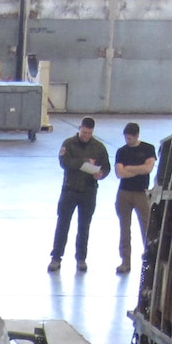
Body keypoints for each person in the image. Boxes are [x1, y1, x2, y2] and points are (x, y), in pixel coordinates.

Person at [50, 117, 110, 273]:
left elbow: (106, 167)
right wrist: (83, 161)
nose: (86, 135)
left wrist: (101, 174)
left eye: (89, 133)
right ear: (79, 128)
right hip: (70, 190)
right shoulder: (68, 144)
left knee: (84, 227)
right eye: (84, 132)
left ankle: (81, 259)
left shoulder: (99, 147)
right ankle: (56, 257)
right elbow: (64, 162)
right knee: (63, 225)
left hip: (88, 191)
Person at [115, 122, 157, 275]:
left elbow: (148, 169)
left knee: (146, 227)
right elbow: (119, 173)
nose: (128, 141)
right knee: (124, 229)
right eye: (126, 138)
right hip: (124, 193)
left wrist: (129, 168)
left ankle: (151, 259)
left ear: (137, 136)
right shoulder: (122, 151)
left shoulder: (148, 149)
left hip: (141, 193)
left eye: (130, 138)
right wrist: (138, 169)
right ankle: (125, 261)